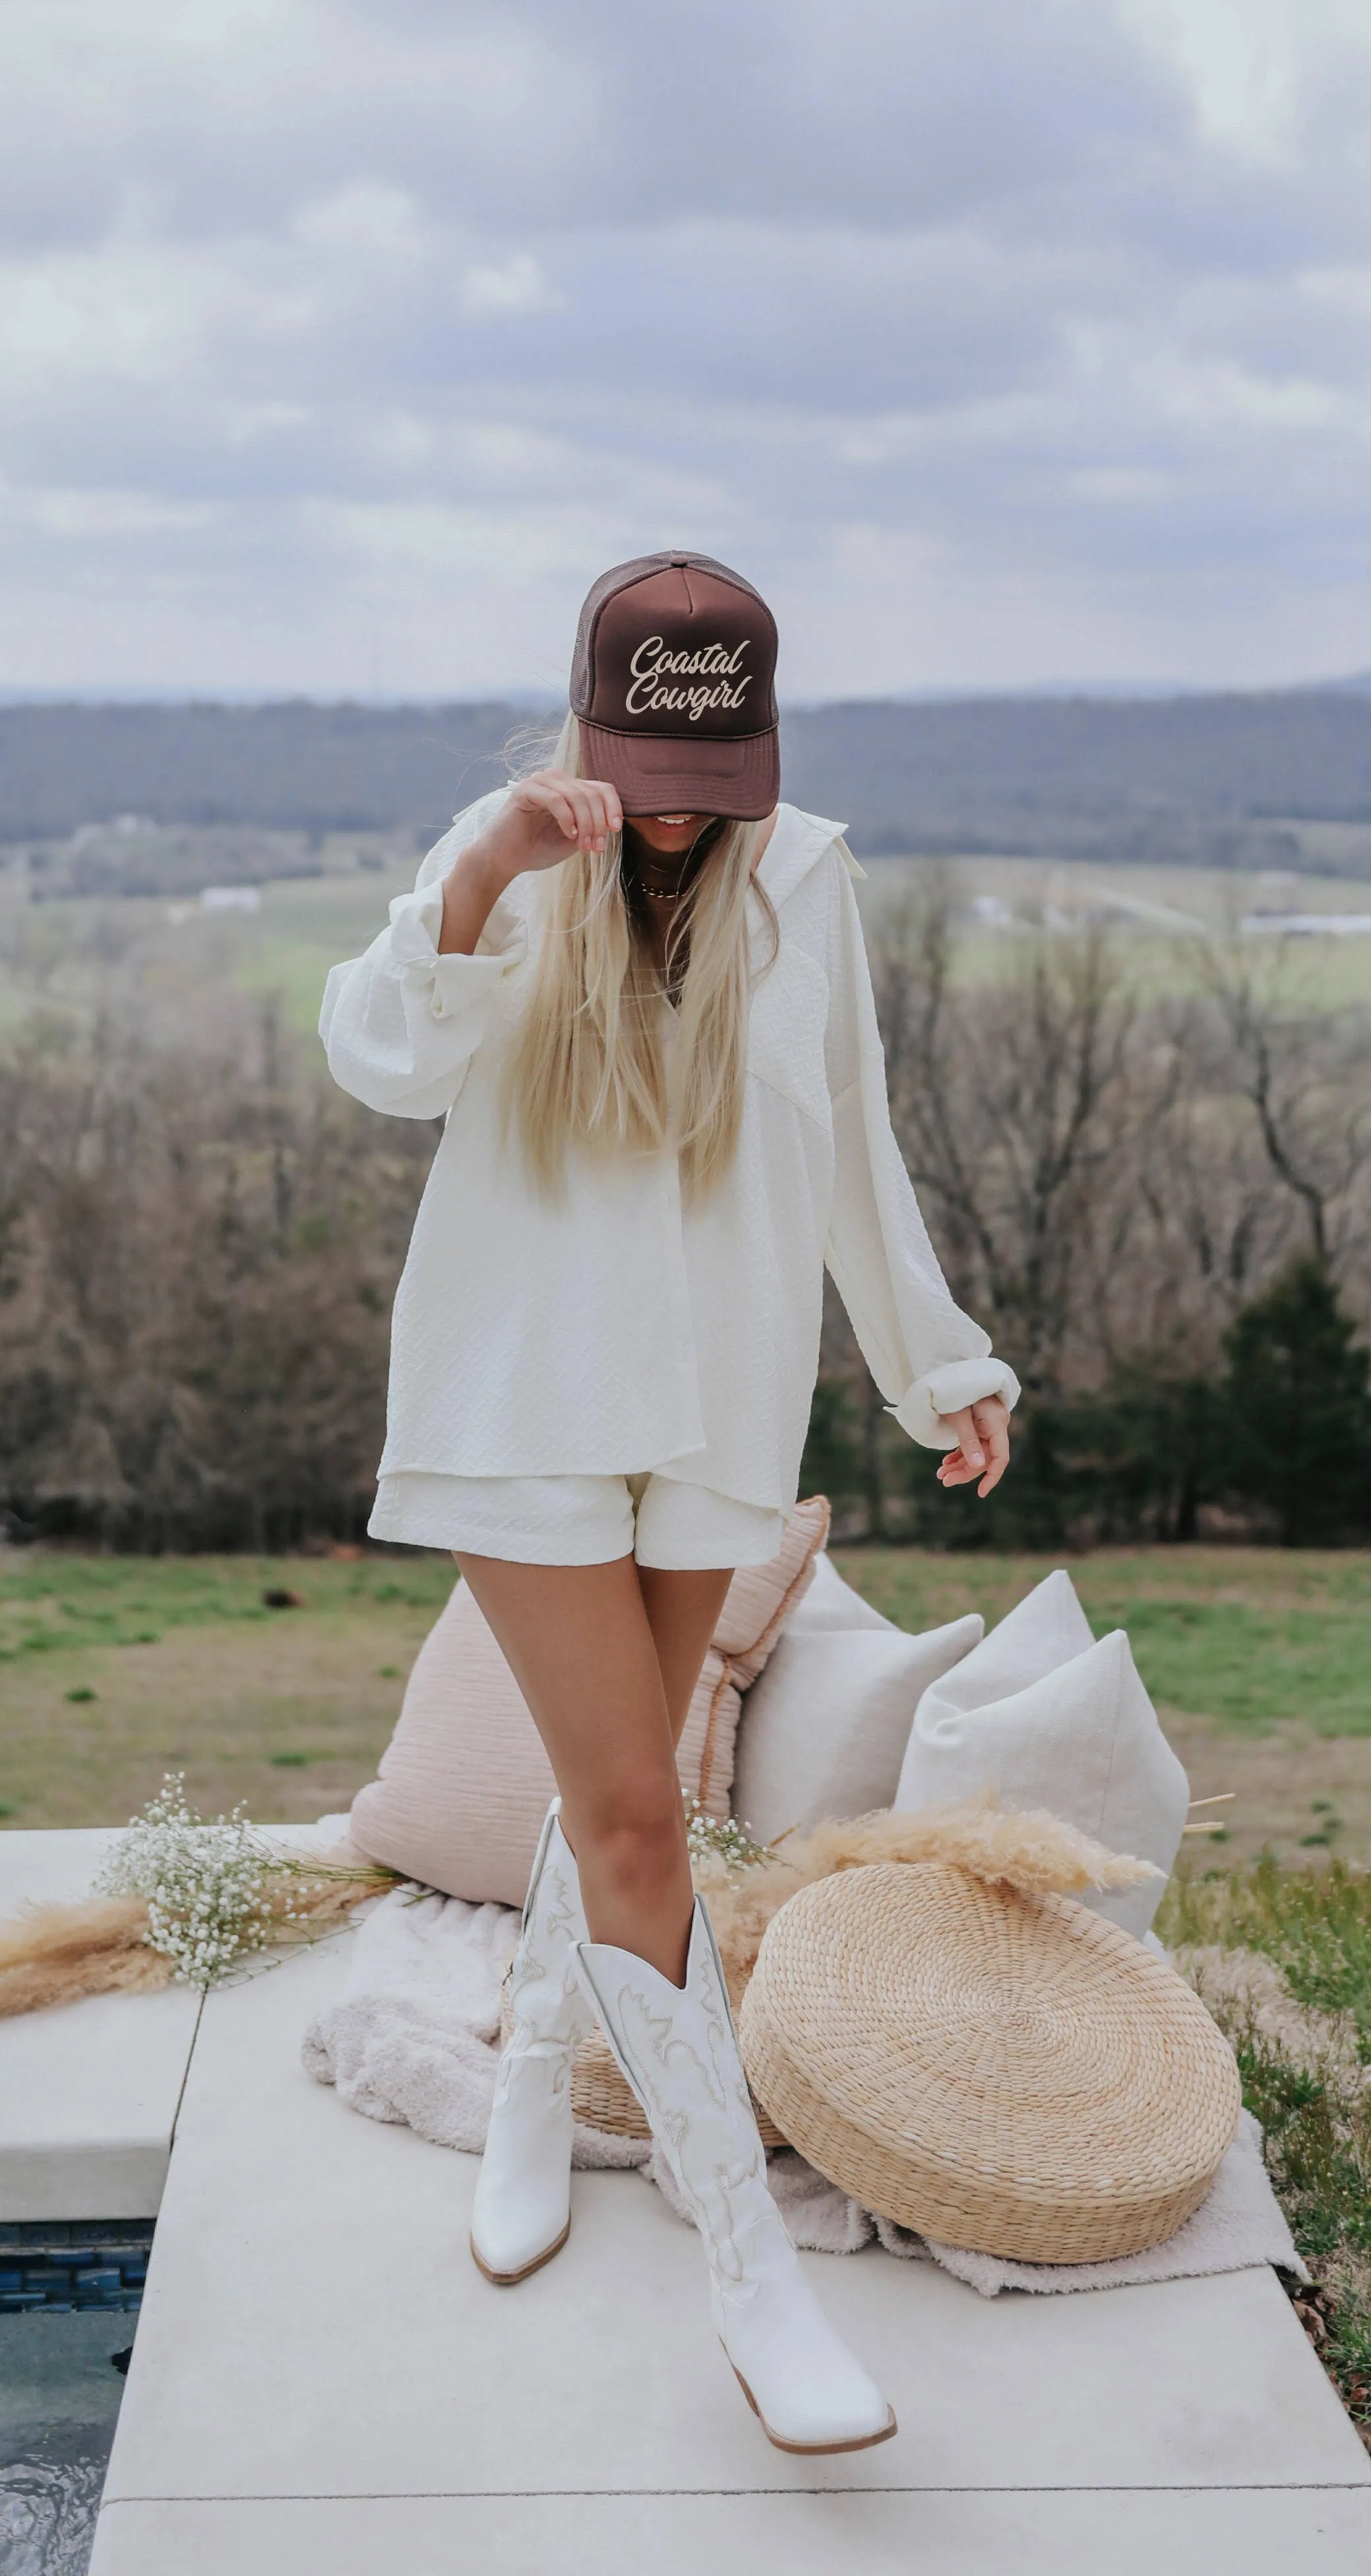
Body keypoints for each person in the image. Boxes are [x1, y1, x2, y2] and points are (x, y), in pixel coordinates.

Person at [320, 551, 1017, 2454]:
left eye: (718, 766)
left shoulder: (809, 877)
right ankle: (750, 2281)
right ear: (591, 723)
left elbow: (855, 1136)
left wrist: (935, 1358)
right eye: (651, 759)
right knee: (643, 1810)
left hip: (717, 1404)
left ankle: (541, 2071)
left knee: (608, 1788)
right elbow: (383, 1059)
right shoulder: (512, 854)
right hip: (517, 1405)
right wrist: (485, 872)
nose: (685, 808)